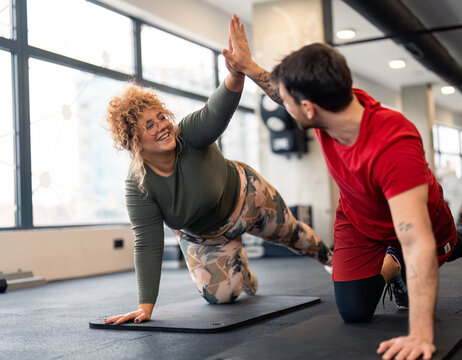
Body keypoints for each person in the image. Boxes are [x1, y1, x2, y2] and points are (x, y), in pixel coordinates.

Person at [222, 14, 462, 360]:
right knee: (353, 312)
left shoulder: (392, 145)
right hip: (357, 219)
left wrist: (420, 335)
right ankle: (392, 265)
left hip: (420, 223)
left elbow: (416, 243)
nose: (283, 104)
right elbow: (283, 93)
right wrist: (248, 67)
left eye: (290, 102)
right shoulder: (336, 101)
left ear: (308, 109)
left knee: (440, 247)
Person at [102, 25, 333, 327]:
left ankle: (331, 259)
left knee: (295, 236)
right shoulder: (139, 185)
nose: (162, 126)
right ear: (133, 140)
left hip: (248, 199)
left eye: (161, 117)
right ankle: (240, 266)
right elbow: (147, 241)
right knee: (221, 297)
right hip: (205, 237)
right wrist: (145, 306)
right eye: (149, 125)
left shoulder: (189, 134)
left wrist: (237, 73)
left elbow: (217, 110)